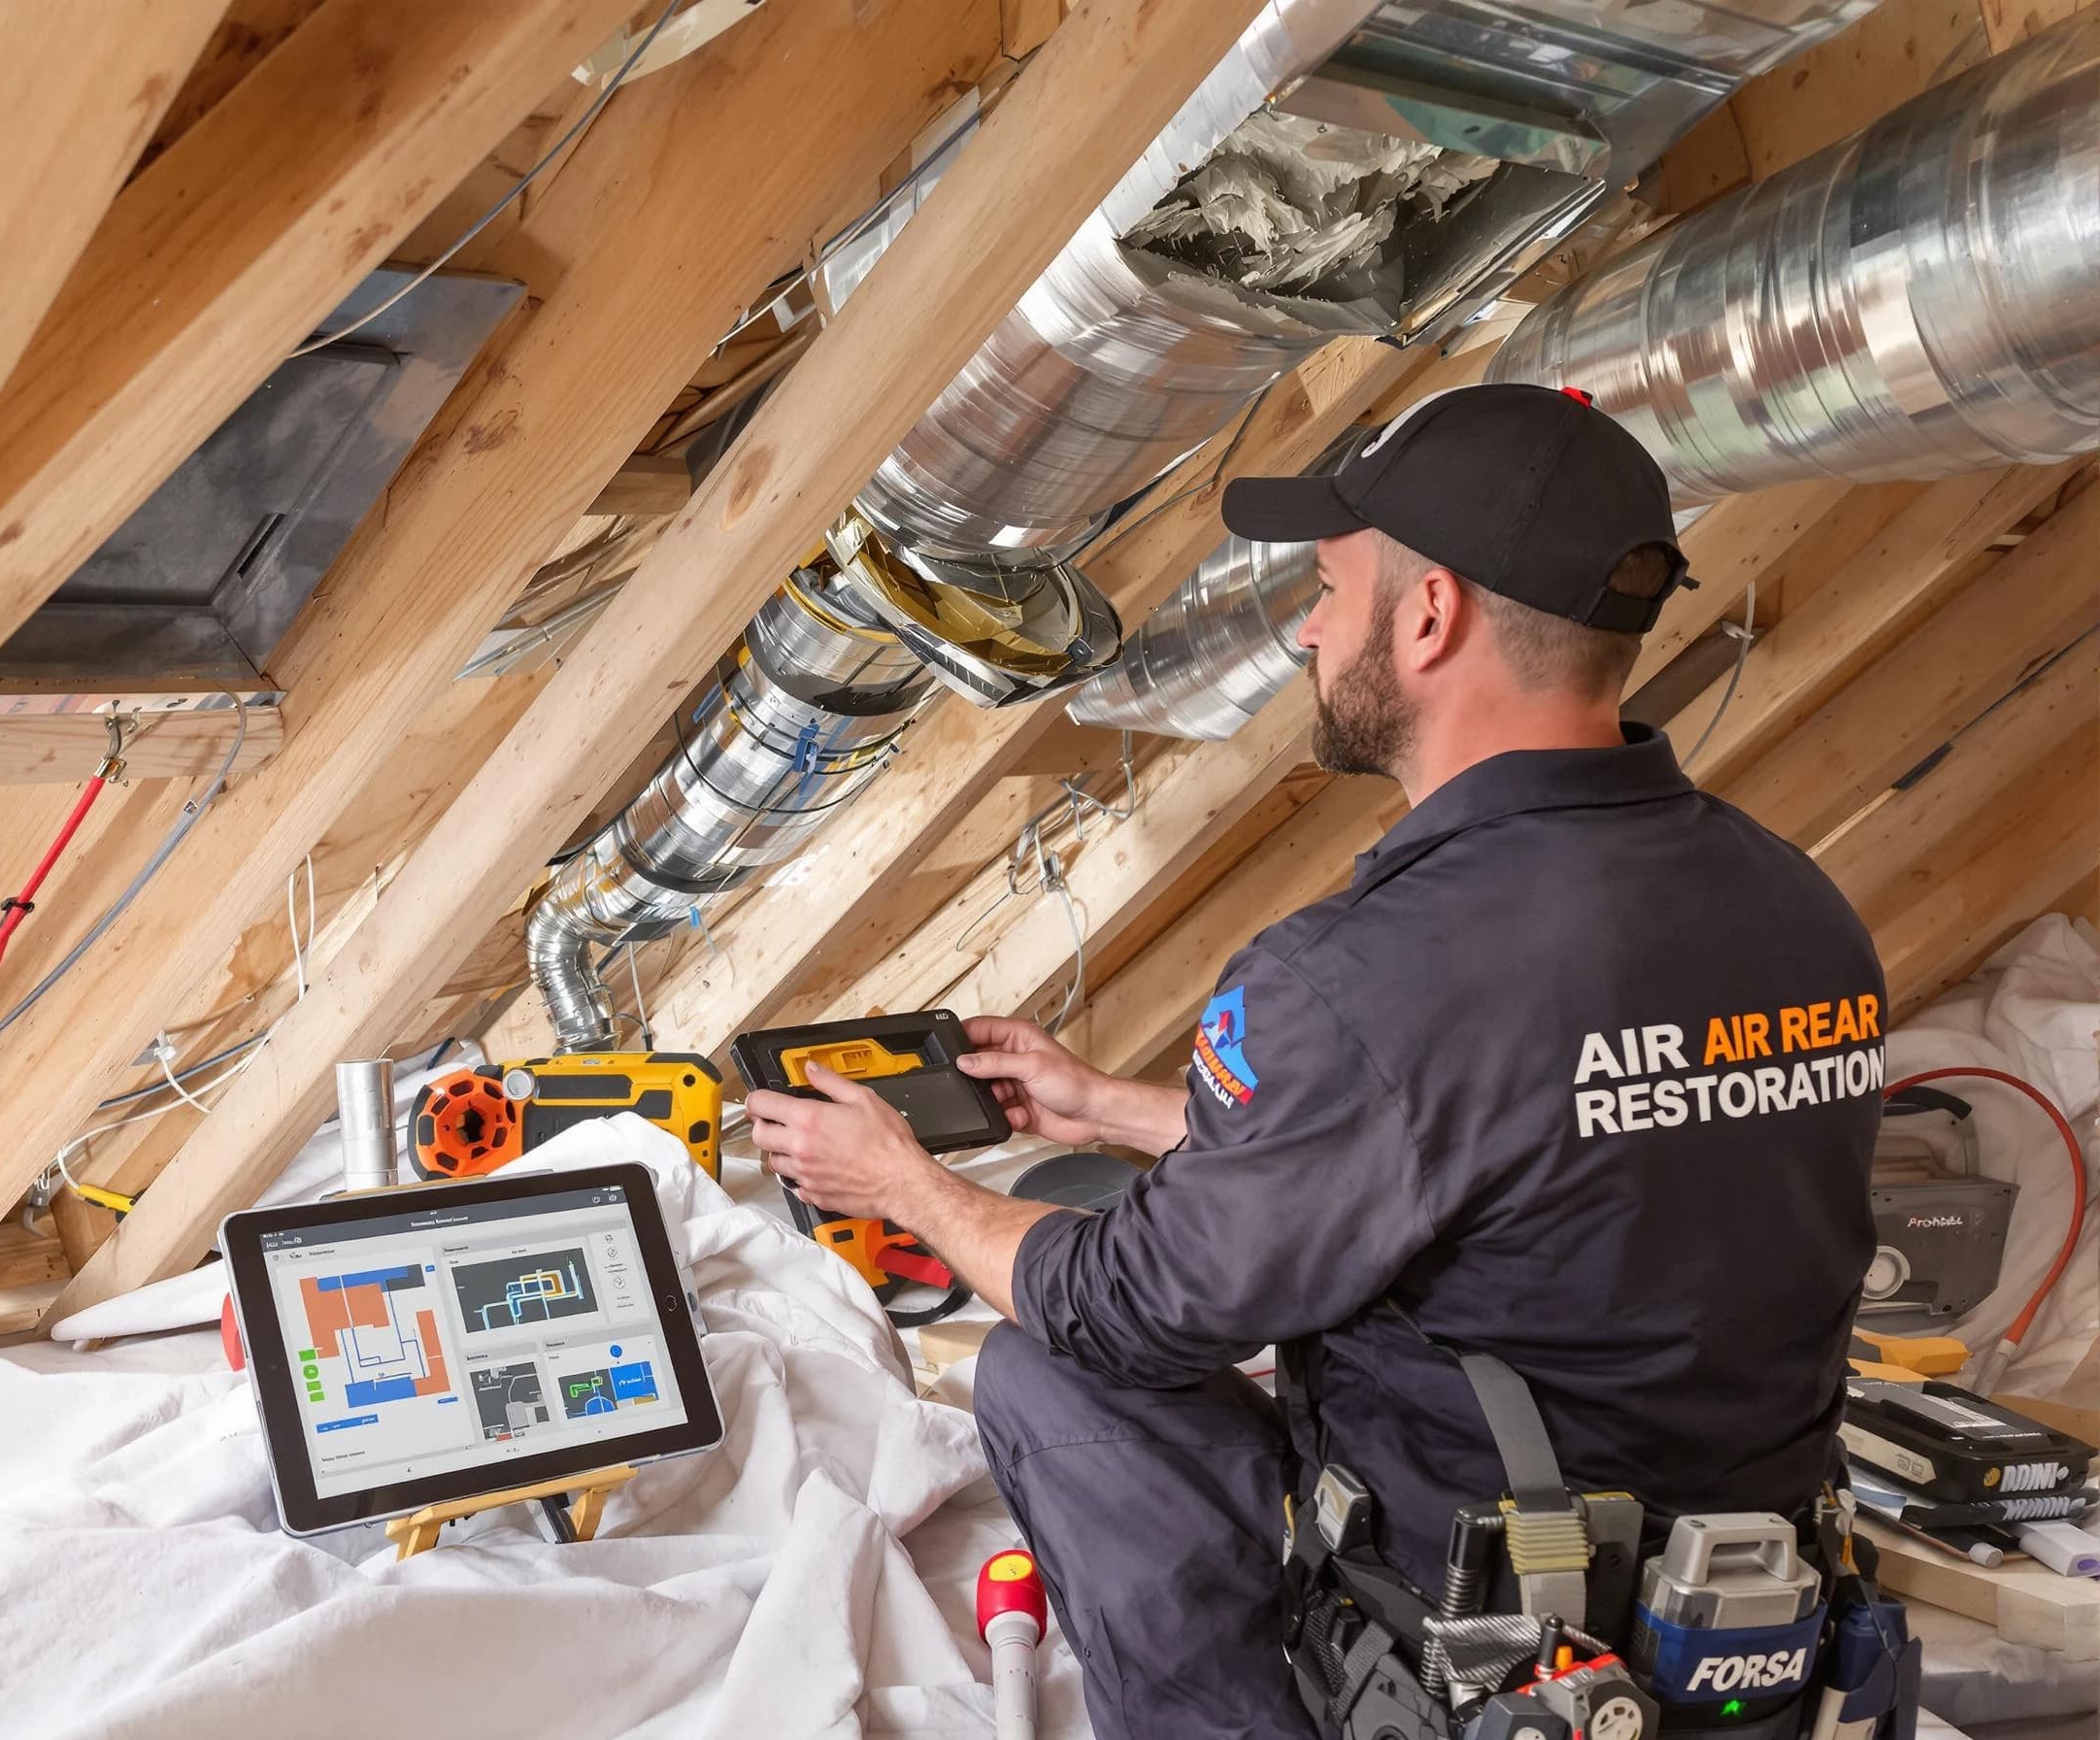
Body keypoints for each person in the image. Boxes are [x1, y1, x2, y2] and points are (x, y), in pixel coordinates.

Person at [746, 384, 1883, 1740]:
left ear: (1429, 615)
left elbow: (1131, 1307)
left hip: (1485, 1634)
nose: (1307, 628)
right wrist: (1108, 1108)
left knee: (1046, 1368)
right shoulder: (1798, 908)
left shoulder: (1364, 972)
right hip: (1739, 1615)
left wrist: (910, 1188)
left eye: (1333, 590)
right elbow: (1514, 1142)